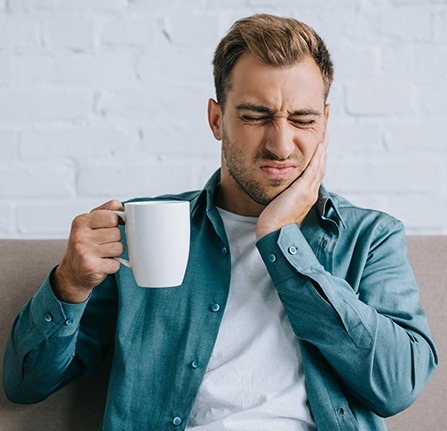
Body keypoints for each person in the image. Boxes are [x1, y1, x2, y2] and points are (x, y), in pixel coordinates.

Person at [3, 14, 438, 431]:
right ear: (217, 119)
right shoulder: (141, 229)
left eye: (303, 120)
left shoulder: (371, 238)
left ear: (325, 124)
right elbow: (26, 385)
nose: (281, 144)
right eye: (255, 116)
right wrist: (70, 284)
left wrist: (281, 239)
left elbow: (397, 387)